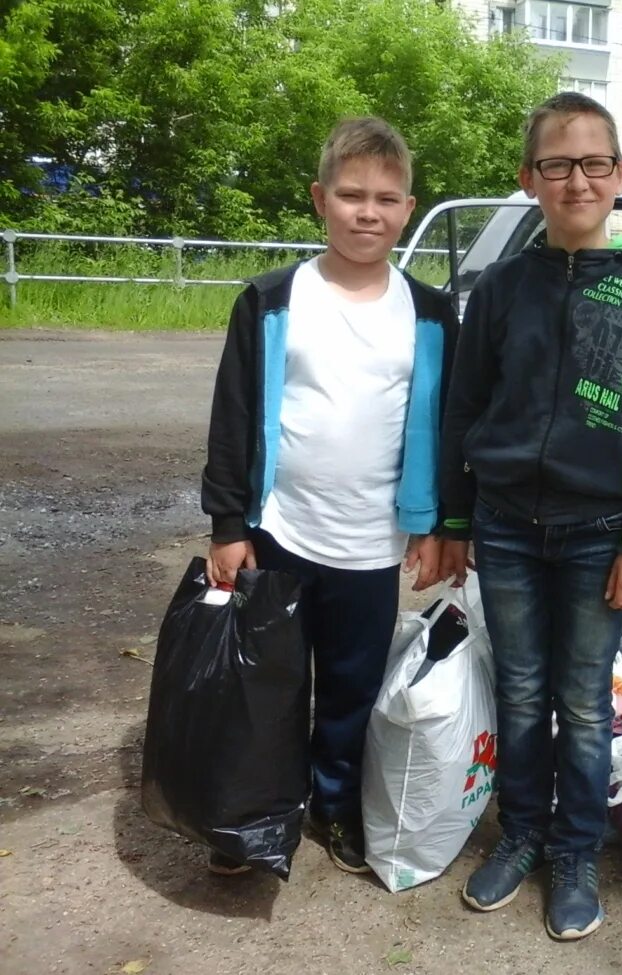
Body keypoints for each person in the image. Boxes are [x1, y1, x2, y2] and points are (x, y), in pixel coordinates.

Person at [437, 91, 622, 941]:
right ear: (529, 178)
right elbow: (464, 406)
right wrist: (458, 521)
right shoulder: (501, 288)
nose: (576, 180)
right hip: (508, 526)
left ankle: (576, 850)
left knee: (583, 701)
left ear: (621, 175)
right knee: (519, 690)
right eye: (557, 164)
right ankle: (521, 833)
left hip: (600, 537)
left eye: (593, 163)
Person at [200, 116, 458, 876]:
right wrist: (227, 523)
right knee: (267, 685)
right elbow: (234, 414)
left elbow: (448, 426)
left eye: (385, 198)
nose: (367, 213)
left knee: (351, 688)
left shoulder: (431, 313)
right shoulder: (272, 300)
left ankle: (335, 804)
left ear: (408, 208)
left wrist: (438, 524)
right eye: (351, 195)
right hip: (278, 533)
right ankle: (256, 813)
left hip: (372, 544)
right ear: (320, 199)